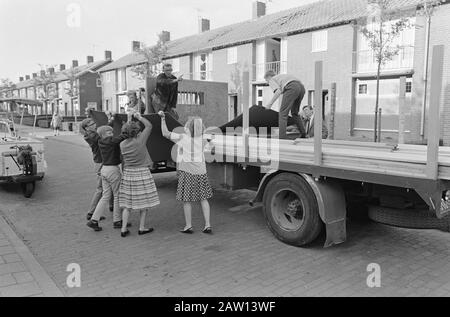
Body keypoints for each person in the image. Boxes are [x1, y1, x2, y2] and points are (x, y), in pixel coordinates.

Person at [159, 112, 213, 234]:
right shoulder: (204, 139)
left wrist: (163, 119)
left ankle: (188, 226)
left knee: (187, 200)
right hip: (201, 172)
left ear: (189, 128)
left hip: (187, 173)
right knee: (203, 199)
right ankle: (207, 225)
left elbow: (165, 133)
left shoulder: (183, 138)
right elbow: (211, 145)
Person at [118, 112, 160, 237]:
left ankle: (124, 229)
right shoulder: (140, 141)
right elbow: (149, 126)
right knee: (144, 202)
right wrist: (139, 117)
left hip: (128, 174)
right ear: (137, 132)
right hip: (142, 173)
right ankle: (142, 228)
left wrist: (129, 120)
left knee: (127, 203)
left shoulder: (122, 144)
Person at [86, 118, 131, 232]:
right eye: (109, 132)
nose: (112, 134)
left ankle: (94, 220)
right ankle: (117, 221)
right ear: (103, 134)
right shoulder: (110, 141)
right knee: (116, 195)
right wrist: (127, 129)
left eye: (112, 132)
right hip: (112, 170)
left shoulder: (101, 142)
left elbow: (116, 139)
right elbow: (121, 137)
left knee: (105, 196)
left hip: (104, 170)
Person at [264, 71, 307, 139]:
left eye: (266, 80)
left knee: (283, 113)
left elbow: (278, 92)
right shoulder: (282, 77)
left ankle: (282, 137)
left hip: (292, 87)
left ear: (268, 77)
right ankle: (303, 134)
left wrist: (270, 103)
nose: (267, 82)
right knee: (294, 112)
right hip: (301, 88)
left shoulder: (272, 79)